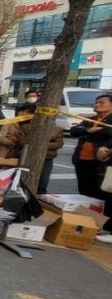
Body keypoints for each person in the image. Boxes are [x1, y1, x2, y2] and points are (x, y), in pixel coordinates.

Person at [71, 93, 112, 231]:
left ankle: (103, 224)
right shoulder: (90, 120)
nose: (97, 104)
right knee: (84, 193)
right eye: (96, 102)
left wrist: (87, 132)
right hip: (82, 160)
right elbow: (74, 130)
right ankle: (86, 223)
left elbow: (105, 133)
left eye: (101, 102)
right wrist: (88, 130)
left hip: (101, 163)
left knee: (101, 194)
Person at [38, 122, 64, 195]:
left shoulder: (57, 129)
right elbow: (23, 141)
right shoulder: (28, 126)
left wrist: (42, 144)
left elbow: (59, 144)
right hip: (30, 157)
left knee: (43, 182)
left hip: (47, 157)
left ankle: (40, 200)